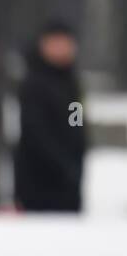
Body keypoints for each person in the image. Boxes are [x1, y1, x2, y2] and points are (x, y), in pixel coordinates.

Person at [14, 20, 87, 213]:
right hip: (38, 181)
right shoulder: (33, 83)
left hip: (69, 183)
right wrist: (62, 161)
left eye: (66, 43)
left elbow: (77, 121)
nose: (62, 49)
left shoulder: (71, 83)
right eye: (56, 43)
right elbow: (34, 131)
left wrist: (78, 155)